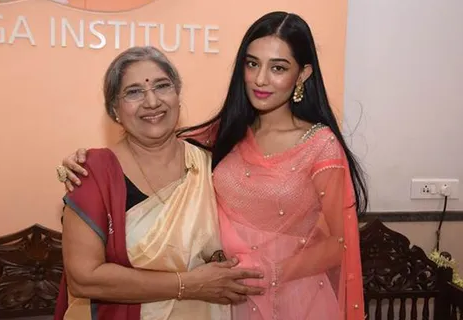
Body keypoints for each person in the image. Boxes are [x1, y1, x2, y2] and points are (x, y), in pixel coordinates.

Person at [57, 11, 368, 320]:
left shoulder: (312, 145)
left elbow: (339, 241)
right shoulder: (223, 138)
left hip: (283, 298)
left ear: (301, 74)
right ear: (114, 108)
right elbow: (84, 274)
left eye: (278, 67)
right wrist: (84, 164)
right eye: (252, 64)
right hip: (216, 302)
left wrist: (271, 272)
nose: (261, 79)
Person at [53, 46, 266, 320]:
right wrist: (188, 285)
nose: (152, 101)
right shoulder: (92, 172)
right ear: (114, 109)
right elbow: (84, 278)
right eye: (134, 92)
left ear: (178, 95)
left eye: (162, 86)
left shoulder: (214, 163)